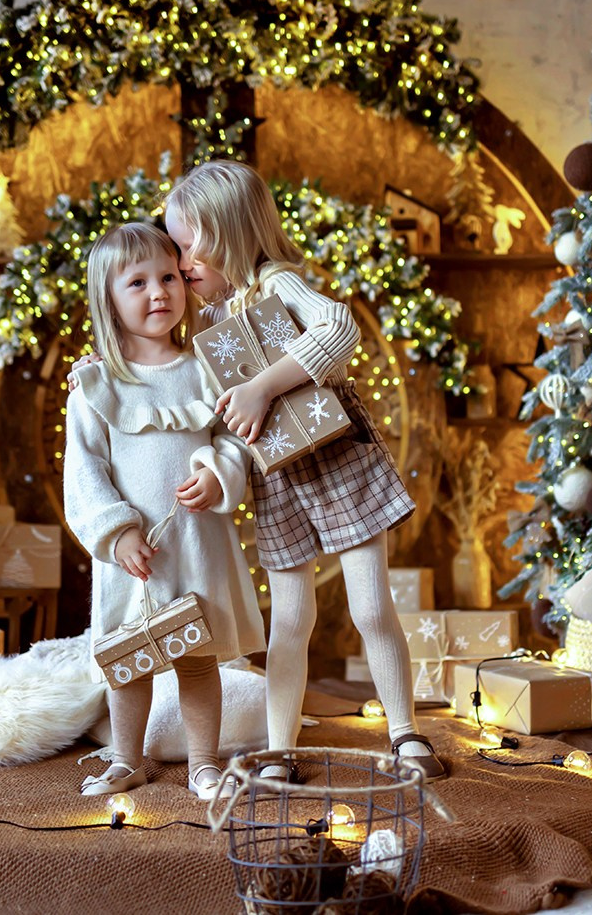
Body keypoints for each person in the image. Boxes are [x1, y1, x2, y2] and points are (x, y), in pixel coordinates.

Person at [164, 160, 446, 782]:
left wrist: (264, 386)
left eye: (187, 246)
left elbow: (338, 328)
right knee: (289, 620)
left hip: (337, 456)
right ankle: (279, 749)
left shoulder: (278, 284)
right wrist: (99, 372)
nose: (181, 264)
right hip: (276, 478)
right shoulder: (207, 324)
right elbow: (194, 392)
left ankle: (405, 734)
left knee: (370, 607)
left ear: (229, 230)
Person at [63, 222, 264, 800]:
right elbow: (84, 471)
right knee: (129, 661)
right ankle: (127, 760)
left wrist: (216, 471)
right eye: (138, 283)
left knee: (198, 660)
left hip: (197, 543)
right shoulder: (97, 385)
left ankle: (203, 763)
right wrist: (117, 531)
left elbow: (235, 438)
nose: (159, 292)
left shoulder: (205, 369)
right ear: (108, 299)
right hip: (135, 558)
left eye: (169, 277)